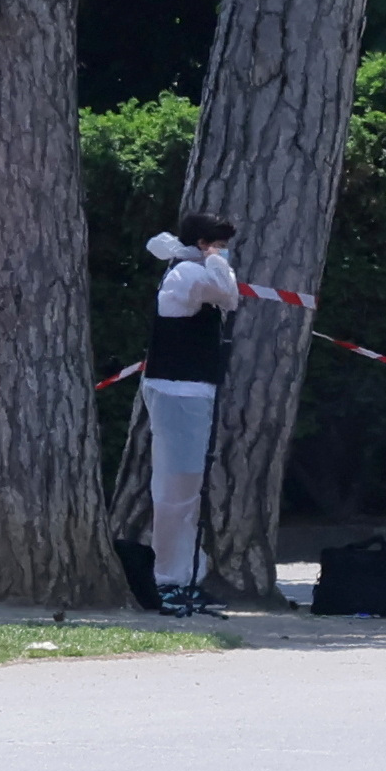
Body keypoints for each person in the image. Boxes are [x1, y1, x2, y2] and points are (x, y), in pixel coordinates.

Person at [136, 213, 242, 616]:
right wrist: (215, 260)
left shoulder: (188, 267)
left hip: (192, 389)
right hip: (178, 390)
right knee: (176, 488)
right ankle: (168, 578)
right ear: (203, 243)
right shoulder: (187, 275)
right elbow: (228, 295)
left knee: (188, 487)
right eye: (218, 242)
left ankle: (186, 572)